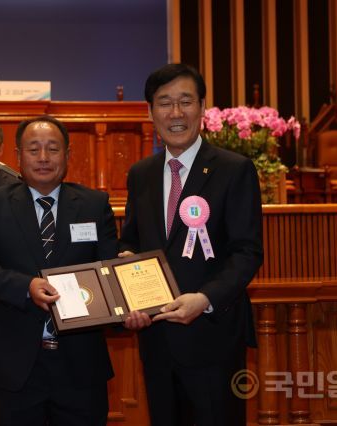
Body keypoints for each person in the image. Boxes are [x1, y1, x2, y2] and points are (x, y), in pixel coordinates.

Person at [119, 63, 263, 426]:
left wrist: (206, 299)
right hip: (157, 339)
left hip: (213, 337)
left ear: (202, 107)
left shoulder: (234, 169)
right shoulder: (141, 174)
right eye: (164, 103)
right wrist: (127, 289)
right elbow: (132, 242)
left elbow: (247, 251)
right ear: (151, 112)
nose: (176, 113)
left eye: (186, 101)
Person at [0, 115, 117, 425]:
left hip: (82, 366)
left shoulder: (94, 204)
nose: (44, 158)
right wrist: (25, 286)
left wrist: (131, 309)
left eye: (53, 149)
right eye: (33, 149)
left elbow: (110, 272)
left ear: (68, 155)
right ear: (18, 156)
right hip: (15, 366)